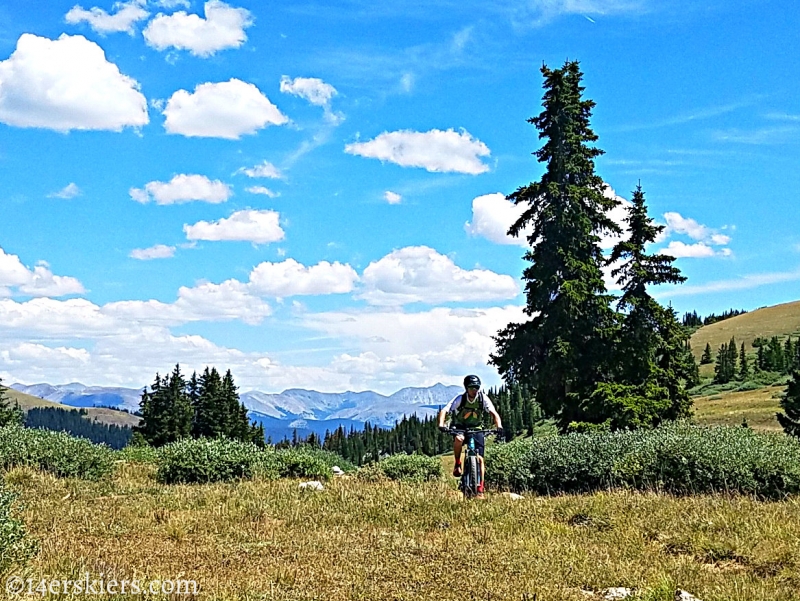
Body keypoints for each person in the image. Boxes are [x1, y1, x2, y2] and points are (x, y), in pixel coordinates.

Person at [438, 375, 503, 498]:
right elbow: (445, 410)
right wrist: (441, 424)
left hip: (476, 429)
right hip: (460, 427)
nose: (475, 390)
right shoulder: (460, 399)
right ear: (466, 388)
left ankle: (480, 489)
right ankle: (458, 463)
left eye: (477, 387)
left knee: (480, 459)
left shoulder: (483, 398)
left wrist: (498, 425)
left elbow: (494, 413)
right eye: (472, 387)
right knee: (459, 439)